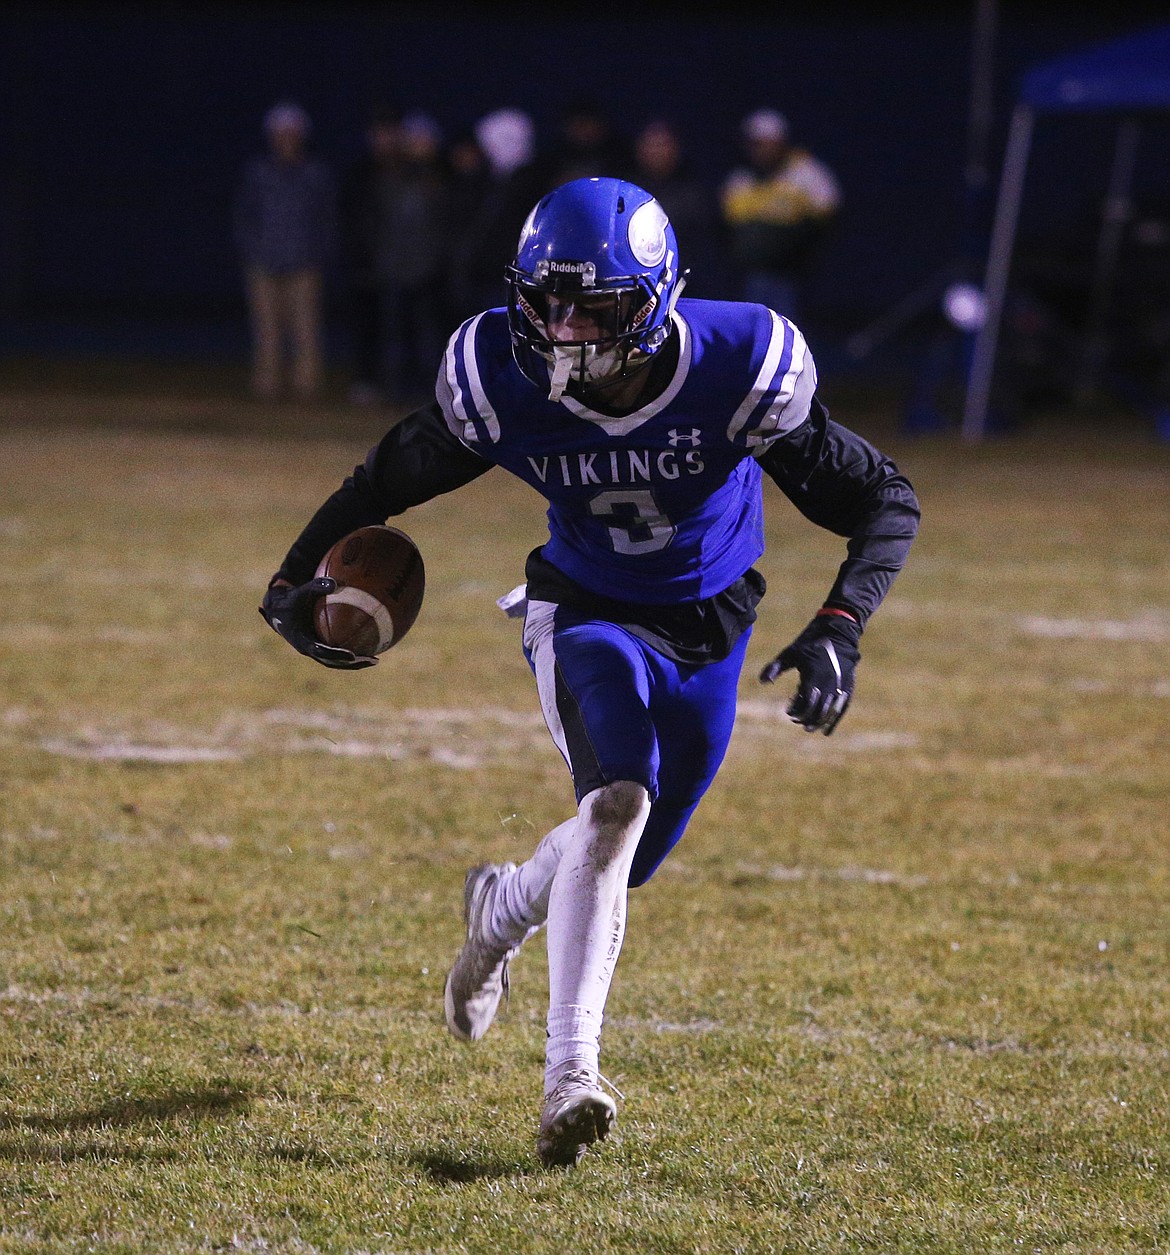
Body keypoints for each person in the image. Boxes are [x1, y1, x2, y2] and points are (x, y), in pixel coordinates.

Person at [259, 177, 919, 1168]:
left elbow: (885, 501)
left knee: (619, 862)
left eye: (593, 307)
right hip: (587, 608)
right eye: (545, 303)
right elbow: (389, 478)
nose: (562, 330)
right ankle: (571, 1073)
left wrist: (840, 622)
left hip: (715, 621)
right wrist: (292, 576)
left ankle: (502, 907)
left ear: (655, 302)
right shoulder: (500, 375)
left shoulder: (740, 366)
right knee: (614, 808)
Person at [233, 102, 336, 400]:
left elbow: (326, 218)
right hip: (263, 263)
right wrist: (251, 251)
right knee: (266, 330)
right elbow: (243, 215)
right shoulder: (257, 173)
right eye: (280, 133)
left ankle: (307, 388)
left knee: (306, 330)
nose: (286, 139)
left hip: (304, 263)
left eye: (291, 133)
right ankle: (267, 387)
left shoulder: (315, 174)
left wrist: (319, 254)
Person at [720, 108, 840, 322]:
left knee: (793, 328)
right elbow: (731, 231)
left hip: (795, 275)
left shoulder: (806, 173)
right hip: (752, 274)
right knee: (754, 324)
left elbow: (829, 218)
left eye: (768, 143)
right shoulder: (740, 179)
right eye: (756, 144)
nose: (762, 150)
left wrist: (797, 250)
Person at [338, 104, 403, 406]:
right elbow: (349, 220)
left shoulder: (411, 171)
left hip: (405, 267)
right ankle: (367, 383)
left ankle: (402, 385)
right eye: (379, 133)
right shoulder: (359, 173)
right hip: (367, 266)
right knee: (367, 328)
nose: (384, 139)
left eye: (390, 132)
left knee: (403, 329)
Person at [632, 118, 726, 299]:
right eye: (651, 145)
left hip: (689, 287)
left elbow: (707, 248)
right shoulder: (628, 193)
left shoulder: (696, 191)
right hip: (641, 287)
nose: (657, 152)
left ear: (676, 148)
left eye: (662, 145)